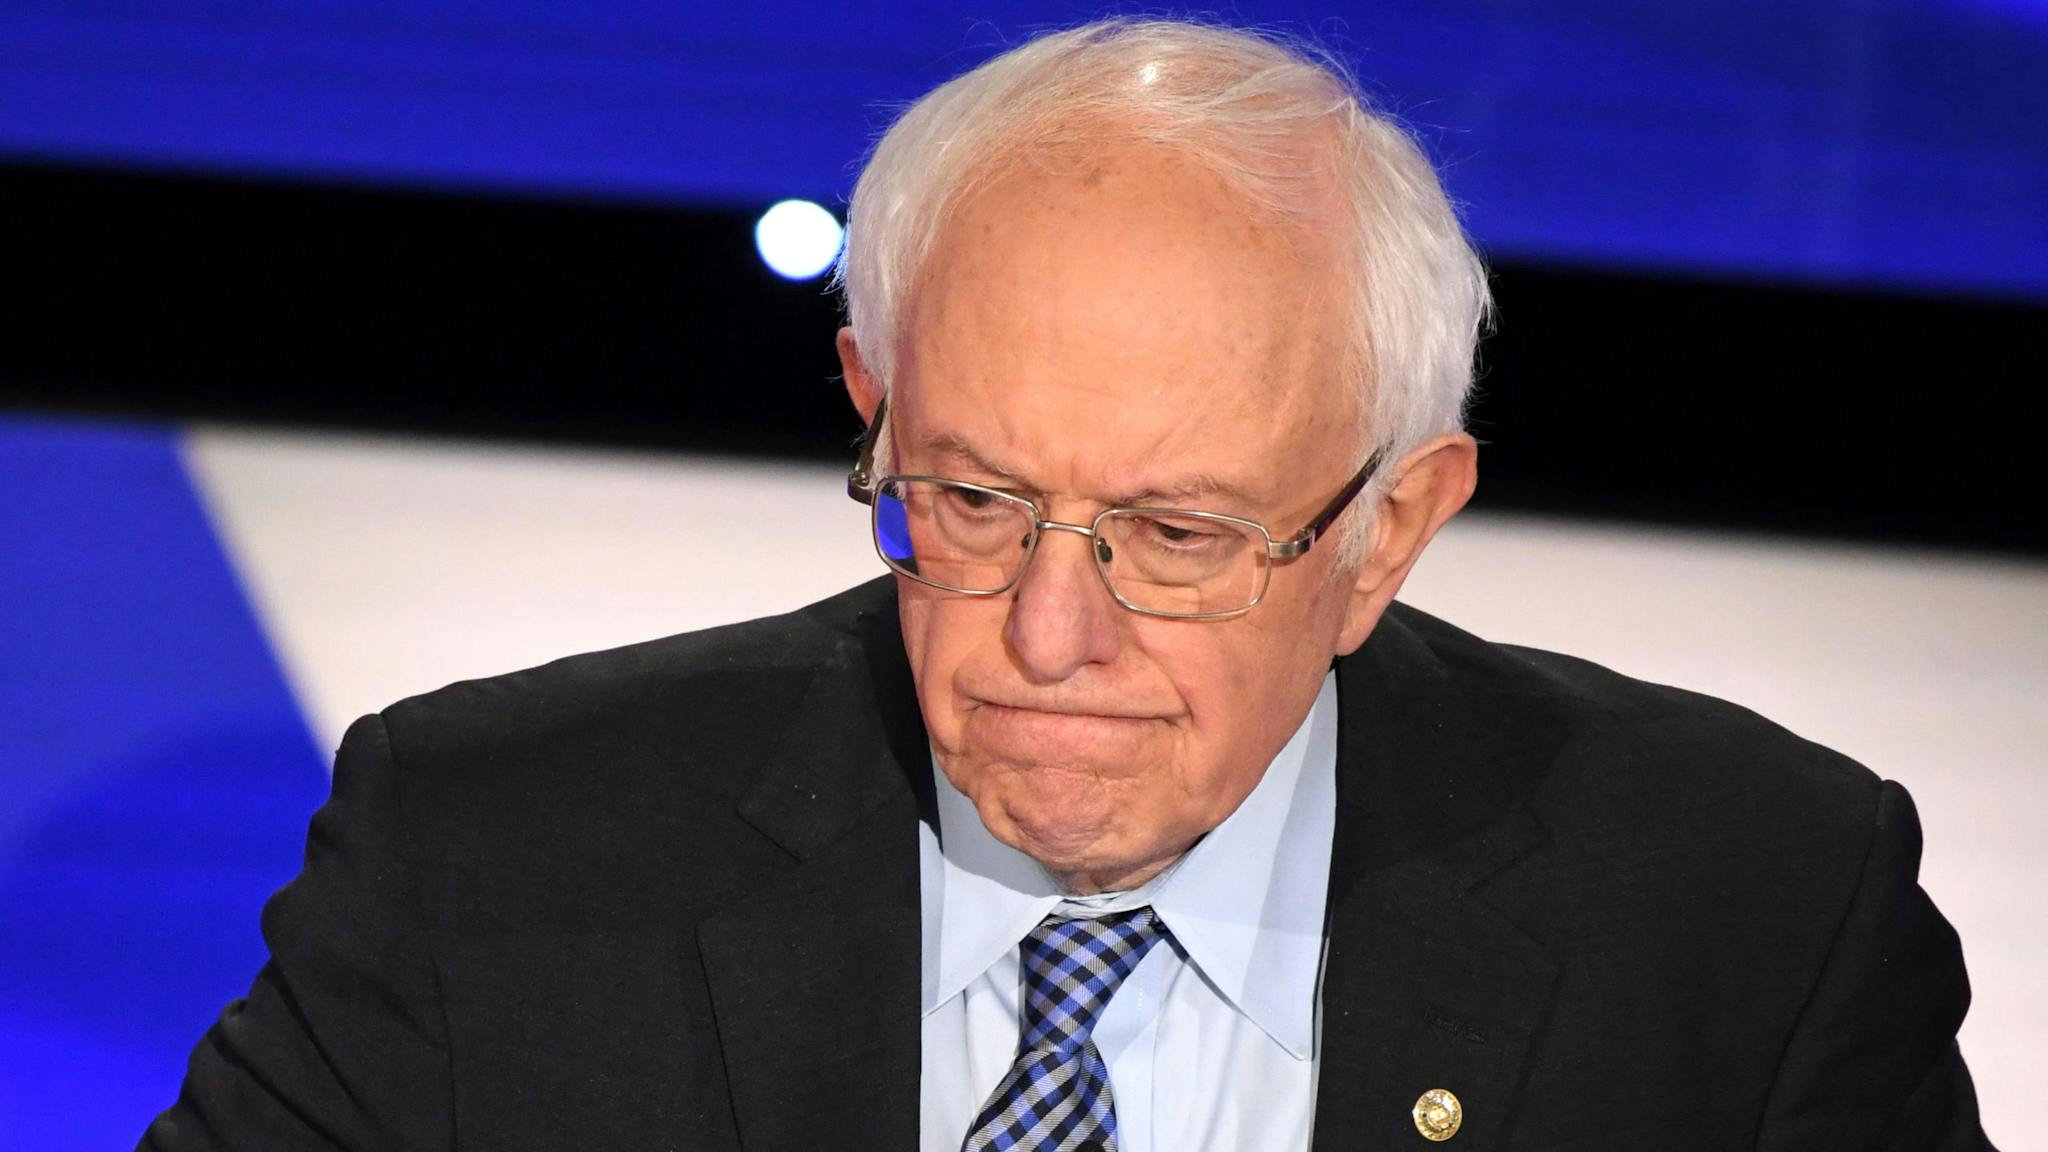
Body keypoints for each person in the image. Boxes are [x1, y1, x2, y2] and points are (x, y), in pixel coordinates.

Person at [143, 18, 1991, 1152]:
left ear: (1391, 533)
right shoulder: (493, 858)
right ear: (873, 407)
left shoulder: (1749, 925)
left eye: (1178, 539)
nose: (1046, 635)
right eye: (967, 498)